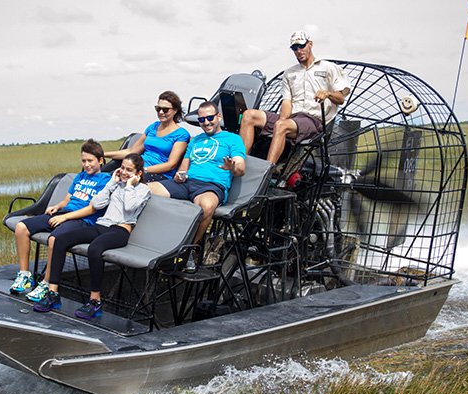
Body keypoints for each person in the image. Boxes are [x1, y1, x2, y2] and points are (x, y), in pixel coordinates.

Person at [33, 153, 151, 319]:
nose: (124, 172)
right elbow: (96, 204)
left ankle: (95, 301)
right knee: (60, 240)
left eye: (129, 170)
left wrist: (130, 185)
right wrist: (111, 183)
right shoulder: (116, 184)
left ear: (138, 173)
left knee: (94, 249)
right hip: (101, 225)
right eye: (122, 168)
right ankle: (53, 294)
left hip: (119, 231)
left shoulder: (143, 190)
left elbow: (130, 208)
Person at [9, 139, 110, 301]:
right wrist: (57, 207)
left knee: (54, 239)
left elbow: (92, 208)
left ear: (100, 160)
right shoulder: (80, 176)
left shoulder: (105, 180)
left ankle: (46, 283)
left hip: (82, 220)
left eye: (90, 161)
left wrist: (65, 216)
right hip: (64, 214)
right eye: (83, 161)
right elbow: (68, 200)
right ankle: (25, 275)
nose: (86, 164)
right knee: (21, 227)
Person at [238, 30, 352, 164]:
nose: (298, 50)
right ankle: (239, 164)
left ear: (310, 44)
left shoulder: (328, 68)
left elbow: (340, 99)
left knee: (281, 126)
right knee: (249, 115)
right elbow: (287, 102)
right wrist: (280, 122)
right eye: (294, 48)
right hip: (292, 119)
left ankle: (265, 172)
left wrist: (328, 94)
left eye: (301, 46)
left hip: (313, 121)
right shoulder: (289, 73)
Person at [148, 101, 246, 249]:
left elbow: (240, 168)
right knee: (144, 190)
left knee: (206, 206)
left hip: (210, 186)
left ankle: (188, 249)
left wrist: (232, 168)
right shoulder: (195, 140)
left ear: (218, 117)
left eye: (210, 118)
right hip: (186, 183)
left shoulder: (233, 139)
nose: (206, 122)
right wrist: (179, 175)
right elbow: (183, 167)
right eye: (201, 119)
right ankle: (153, 240)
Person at [103, 91, 190, 182]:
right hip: (136, 169)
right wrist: (102, 154)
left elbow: (170, 165)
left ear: (175, 111)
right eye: (158, 108)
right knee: (106, 179)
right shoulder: (153, 127)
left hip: (158, 175)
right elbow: (132, 151)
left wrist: (143, 170)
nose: (161, 112)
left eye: (165, 109)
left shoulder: (181, 134)